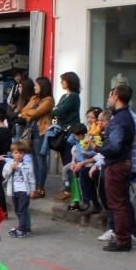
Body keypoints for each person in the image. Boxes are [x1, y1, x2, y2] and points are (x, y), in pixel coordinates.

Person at [100, 84, 136, 252]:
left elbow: (115, 146)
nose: (109, 99)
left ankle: (123, 239)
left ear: (116, 97)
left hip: (117, 163)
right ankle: (122, 236)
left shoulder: (121, 119)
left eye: (110, 95)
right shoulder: (123, 117)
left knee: (117, 203)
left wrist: (98, 148)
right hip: (119, 162)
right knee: (119, 202)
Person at [20, 77, 55, 198]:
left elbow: (35, 113)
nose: (34, 87)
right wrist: (28, 113)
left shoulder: (49, 100)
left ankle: (41, 187)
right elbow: (23, 110)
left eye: (37, 85)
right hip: (32, 131)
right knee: (34, 160)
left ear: (43, 87)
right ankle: (34, 185)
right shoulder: (34, 98)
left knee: (40, 160)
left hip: (42, 131)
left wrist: (28, 114)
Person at [51, 72, 82, 201]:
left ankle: (71, 190)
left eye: (63, 81)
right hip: (62, 131)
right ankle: (67, 188)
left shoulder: (74, 97)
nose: (61, 83)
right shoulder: (65, 96)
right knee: (65, 161)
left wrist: (55, 111)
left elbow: (58, 111)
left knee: (69, 161)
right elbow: (56, 110)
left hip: (69, 132)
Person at [3, 139, 35, 238]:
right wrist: (10, 168)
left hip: (24, 191)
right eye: (16, 153)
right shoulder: (9, 164)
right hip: (14, 191)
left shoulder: (27, 165)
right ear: (12, 153)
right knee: (17, 210)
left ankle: (22, 230)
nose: (18, 155)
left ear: (24, 154)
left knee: (22, 210)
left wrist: (33, 190)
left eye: (21, 153)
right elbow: (4, 175)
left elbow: (31, 178)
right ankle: (24, 227)